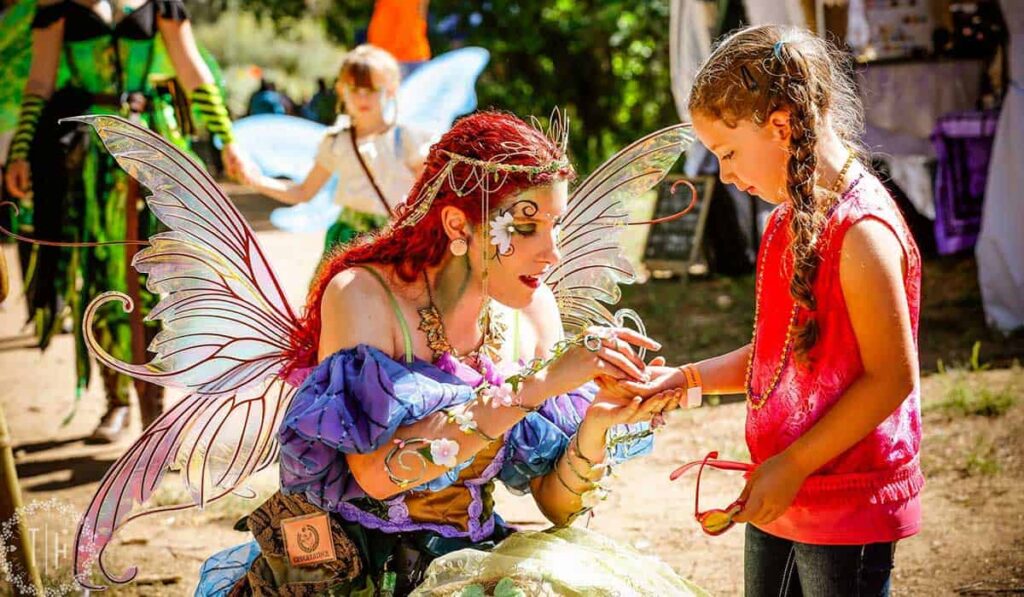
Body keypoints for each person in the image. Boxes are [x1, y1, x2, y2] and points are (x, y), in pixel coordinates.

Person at [66, 110, 703, 595]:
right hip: (349, 566)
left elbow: (555, 505)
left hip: (469, 561)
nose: (553, 252)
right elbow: (377, 473)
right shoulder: (363, 297)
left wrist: (596, 425)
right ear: (457, 225)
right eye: (527, 225)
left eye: (556, 225)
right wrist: (534, 386)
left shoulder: (532, 311)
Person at [619, 25, 924, 596]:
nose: (726, 176)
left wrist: (795, 463)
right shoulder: (788, 220)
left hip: (842, 503)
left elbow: (891, 377)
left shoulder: (862, 232)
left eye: (728, 153)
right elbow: (781, 357)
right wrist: (686, 379)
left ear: (781, 126)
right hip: (783, 486)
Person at [3, 0, 246, 443]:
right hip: (87, 160)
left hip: (152, 150)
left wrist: (227, 139)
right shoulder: (55, 7)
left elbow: (192, 72)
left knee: (161, 277)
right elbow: (39, 83)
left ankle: (157, 408)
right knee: (100, 276)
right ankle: (116, 401)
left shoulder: (162, 5)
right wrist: (20, 152)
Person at [241, 45, 433, 255]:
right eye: (354, 89)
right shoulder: (336, 142)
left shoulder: (406, 139)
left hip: (396, 239)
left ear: (391, 89)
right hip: (347, 241)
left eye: (371, 90)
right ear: (342, 90)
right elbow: (303, 192)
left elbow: (429, 193)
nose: (362, 98)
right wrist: (256, 180)